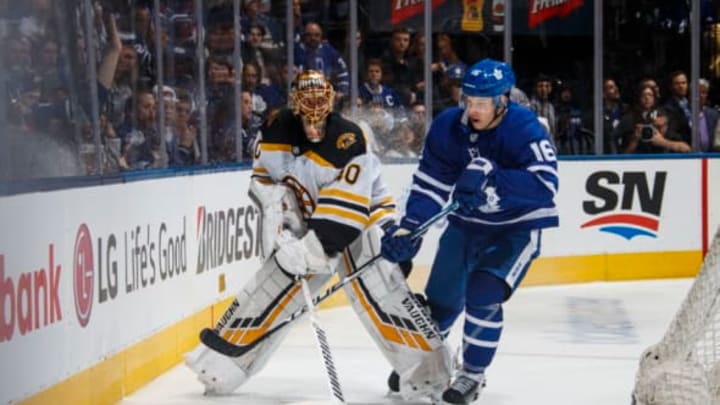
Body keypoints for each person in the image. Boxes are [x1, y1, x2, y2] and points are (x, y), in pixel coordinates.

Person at [185, 70, 452, 401]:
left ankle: (430, 377)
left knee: (382, 295)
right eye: (307, 118)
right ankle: (219, 366)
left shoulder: (350, 139)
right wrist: (278, 217)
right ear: (295, 108)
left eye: (320, 117)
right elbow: (264, 181)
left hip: (362, 222)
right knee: (269, 287)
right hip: (310, 223)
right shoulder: (274, 129)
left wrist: (309, 251)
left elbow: (346, 214)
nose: (314, 126)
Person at [380, 58, 559, 404]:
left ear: (502, 100)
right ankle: (425, 364)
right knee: (442, 302)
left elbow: (545, 185)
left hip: (516, 229)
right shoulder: (448, 127)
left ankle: (471, 375)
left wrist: (493, 180)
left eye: (482, 103)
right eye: (469, 100)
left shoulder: (525, 127)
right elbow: (430, 185)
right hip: (467, 226)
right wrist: (410, 229)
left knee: (483, 293)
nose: (473, 109)